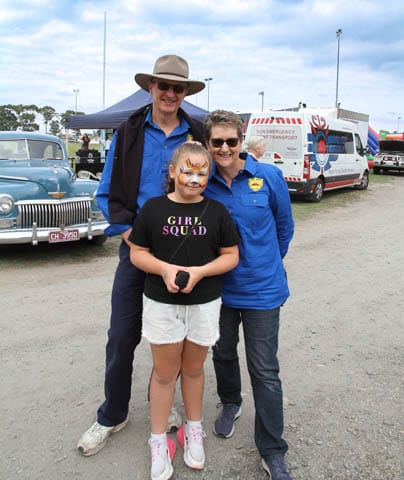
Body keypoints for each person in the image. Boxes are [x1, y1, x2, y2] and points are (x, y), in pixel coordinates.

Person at [77, 54, 206, 457]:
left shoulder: (197, 134)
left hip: (184, 254)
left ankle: (161, 407)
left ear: (185, 93)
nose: (169, 93)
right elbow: (107, 195)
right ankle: (112, 414)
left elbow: (215, 180)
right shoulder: (128, 132)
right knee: (122, 335)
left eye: (177, 87)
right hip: (137, 251)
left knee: (172, 337)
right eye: (163, 85)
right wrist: (134, 241)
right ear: (151, 87)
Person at [129, 141, 239, 480]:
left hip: (204, 304)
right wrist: (164, 270)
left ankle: (193, 429)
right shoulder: (153, 208)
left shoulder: (217, 212)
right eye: (187, 172)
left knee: (193, 370)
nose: (194, 179)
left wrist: (200, 273)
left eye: (202, 173)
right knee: (164, 374)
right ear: (172, 171)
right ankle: (158, 440)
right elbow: (137, 252)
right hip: (161, 305)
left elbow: (231, 255)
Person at [203, 110, 295, 480]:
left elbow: (284, 228)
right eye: (217, 142)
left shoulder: (268, 176)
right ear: (208, 144)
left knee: (265, 370)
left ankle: (272, 451)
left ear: (241, 140)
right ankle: (230, 402)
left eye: (231, 141)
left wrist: (264, 263)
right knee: (223, 352)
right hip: (218, 291)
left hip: (262, 291)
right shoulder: (203, 181)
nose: (225, 148)